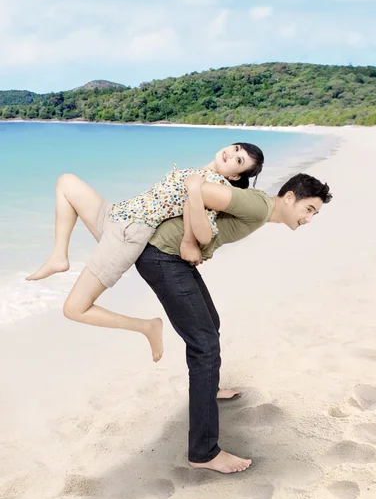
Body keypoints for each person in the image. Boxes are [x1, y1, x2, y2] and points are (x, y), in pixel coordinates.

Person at [135, 173, 333, 474]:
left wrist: (203, 246)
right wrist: (189, 241)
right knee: (204, 346)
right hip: (163, 257)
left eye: (314, 214)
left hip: (172, 258)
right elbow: (198, 190)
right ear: (290, 197)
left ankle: (208, 388)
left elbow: (211, 215)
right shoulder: (257, 205)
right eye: (309, 210)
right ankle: (203, 453)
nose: (309, 219)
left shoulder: (261, 211)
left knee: (209, 326)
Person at [25, 143, 264, 362]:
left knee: (74, 309)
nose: (231, 154)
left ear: (234, 176)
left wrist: (194, 246)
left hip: (128, 234)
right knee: (66, 181)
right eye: (235, 149)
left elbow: (206, 227)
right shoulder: (198, 173)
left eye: (239, 160)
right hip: (116, 214)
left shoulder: (214, 186)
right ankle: (59, 256)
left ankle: (146, 326)